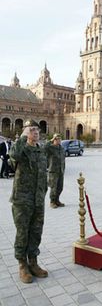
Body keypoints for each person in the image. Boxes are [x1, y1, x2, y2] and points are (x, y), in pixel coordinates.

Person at [9, 119, 48, 283]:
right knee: (23, 232)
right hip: (22, 200)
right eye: (31, 129)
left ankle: (33, 262)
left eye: (37, 129)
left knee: (36, 232)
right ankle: (22, 265)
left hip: (38, 200)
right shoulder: (20, 149)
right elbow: (13, 157)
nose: (36, 132)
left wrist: (44, 191)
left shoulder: (40, 150)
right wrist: (23, 137)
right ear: (25, 132)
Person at [45, 133, 65, 208]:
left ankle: (57, 200)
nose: (58, 140)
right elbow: (44, 147)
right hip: (53, 171)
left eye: (59, 139)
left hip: (60, 171)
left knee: (60, 187)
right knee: (54, 187)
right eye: (57, 139)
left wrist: (63, 169)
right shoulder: (50, 147)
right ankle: (52, 201)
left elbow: (63, 160)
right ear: (54, 140)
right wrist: (51, 141)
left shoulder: (62, 148)